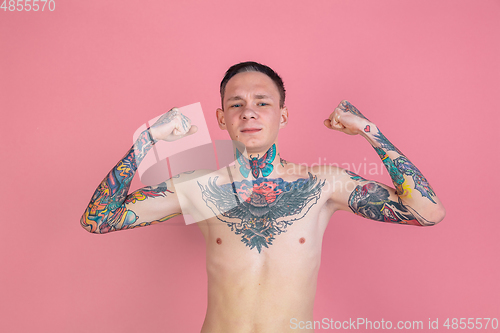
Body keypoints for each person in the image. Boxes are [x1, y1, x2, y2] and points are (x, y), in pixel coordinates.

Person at [81, 61, 445, 332]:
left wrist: (370, 132)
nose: (249, 111)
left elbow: (427, 211)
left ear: (283, 116)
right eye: (236, 104)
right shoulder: (201, 188)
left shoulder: (322, 184)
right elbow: (99, 219)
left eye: (262, 102)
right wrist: (145, 141)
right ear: (222, 119)